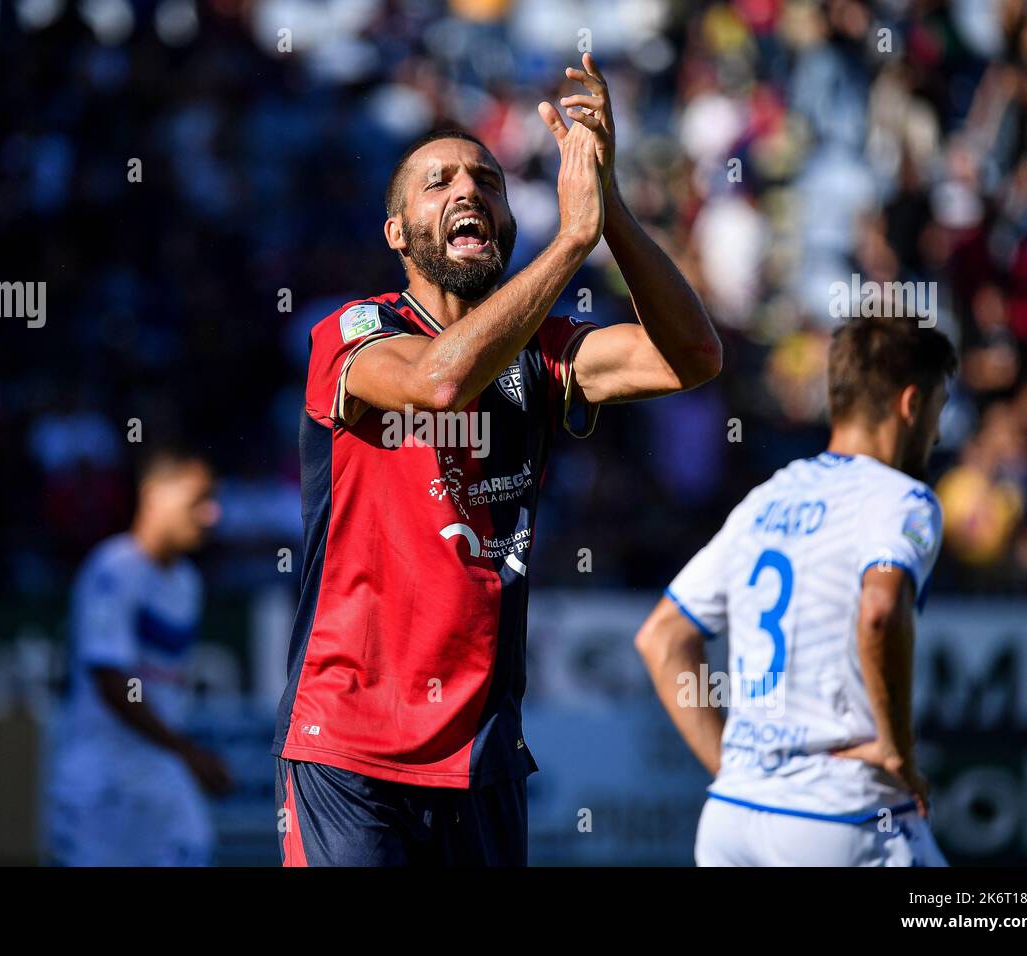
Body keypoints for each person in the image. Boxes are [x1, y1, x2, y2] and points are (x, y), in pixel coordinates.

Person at [273, 54, 721, 866]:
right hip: (348, 746)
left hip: (483, 754)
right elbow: (439, 383)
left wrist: (609, 207)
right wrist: (572, 244)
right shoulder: (351, 333)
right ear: (398, 232)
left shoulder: (545, 355)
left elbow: (692, 357)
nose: (467, 189)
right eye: (436, 182)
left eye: (484, 179)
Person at [635, 316, 957, 866]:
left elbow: (662, 638)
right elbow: (880, 610)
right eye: (938, 410)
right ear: (911, 404)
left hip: (732, 817)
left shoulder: (767, 498)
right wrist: (898, 751)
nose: (938, 433)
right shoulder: (902, 499)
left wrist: (740, 771)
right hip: (841, 813)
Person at [46, 446, 231, 866]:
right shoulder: (113, 568)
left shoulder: (188, 582)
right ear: (153, 494)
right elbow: (112, 682)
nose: (210, 514)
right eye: (198, 499)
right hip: (101, 787)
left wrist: (180, 754)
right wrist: (186, 751)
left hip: (159, 780)